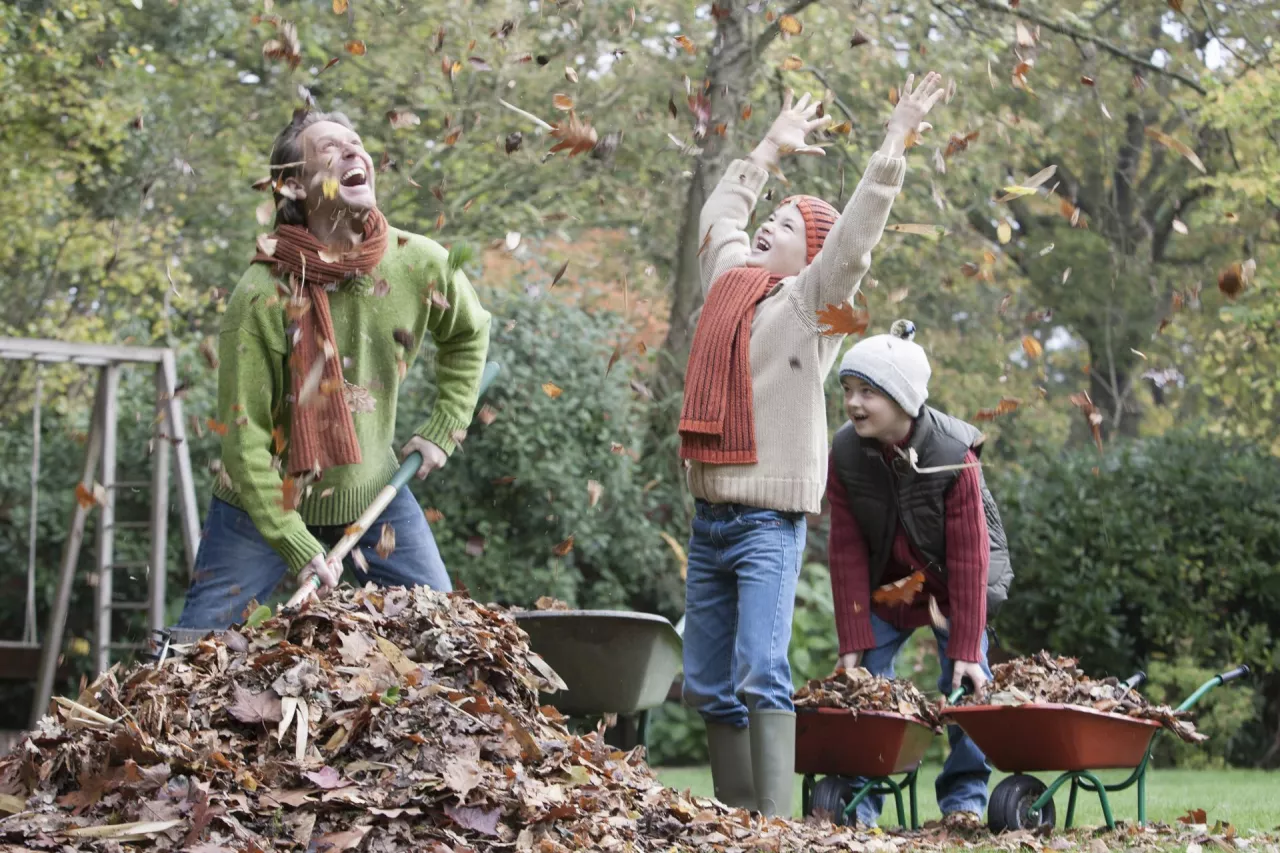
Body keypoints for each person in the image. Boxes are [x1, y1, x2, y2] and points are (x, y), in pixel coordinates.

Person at [678, 73, 947, 816]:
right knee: (705, 679)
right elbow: (719, 212)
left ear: (810, 259)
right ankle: (734, 820)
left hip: (768, 525)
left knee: (760, 668)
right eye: (774, 215)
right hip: (710, 524)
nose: (769, 223)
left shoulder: (809, 311)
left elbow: (855, 241)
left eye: (790, 225)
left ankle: (769, 825)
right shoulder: (729, 285)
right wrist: (767, 148)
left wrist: (894, 143)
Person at [175, 108, 491, 630]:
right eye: (329, 148)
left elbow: (469, 331)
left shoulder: (417, 262)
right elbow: (244, 435)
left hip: (374, 491)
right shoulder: (261, 297)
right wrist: (292, 540)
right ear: (294, 187)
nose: (353, 151)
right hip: (260, 507)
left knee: (447, 633)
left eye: (357, 142)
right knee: (194, 652)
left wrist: (444, 427)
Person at [825, 320, 1014, 828]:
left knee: (969, 683)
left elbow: (972, 558)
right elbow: (844, 550)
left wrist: (967, 647)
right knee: (863, 680)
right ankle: (862, 801)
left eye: (868, 391)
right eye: (847, 389)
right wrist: (853, 638)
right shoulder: (845, 452)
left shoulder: (954, 453)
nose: (853, 403)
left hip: (959, 580)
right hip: (895, 582)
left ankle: (965, 801)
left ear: (903, 398)